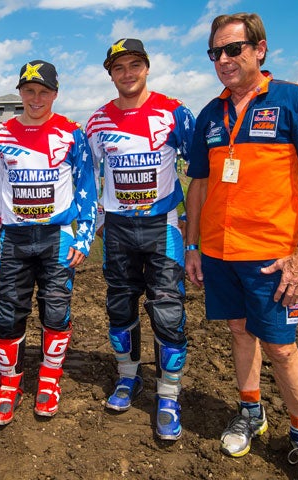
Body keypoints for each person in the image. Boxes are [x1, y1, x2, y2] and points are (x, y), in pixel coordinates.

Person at [184, 13, 298, 480]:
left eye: (234, 49)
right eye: (216, 53)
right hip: (219, 251)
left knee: (282, 347)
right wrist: (192, 245)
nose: (225, 60)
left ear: (260, 49)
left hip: (273, 256)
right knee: (237, 330)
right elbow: (199, 184)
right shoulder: (211, 113)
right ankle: (251, 411)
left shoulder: (296, 100)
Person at [86, 39, 196, 441]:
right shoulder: (97, 122)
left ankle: (168, 394)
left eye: (135, 65)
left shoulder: (174, 112)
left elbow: (199, 170)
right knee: (119, 304)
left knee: (167, 311)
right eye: (119, 67)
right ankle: (127, 377)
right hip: (117, 228)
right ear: (110, 73)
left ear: (147, 67)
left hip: (163, 226)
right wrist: (94, 218)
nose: (127, 73)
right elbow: (86, 174)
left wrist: (192, 226)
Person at [0, 60, 97, 425]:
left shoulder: (71, 133)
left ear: (55, 93)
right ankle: (9, 385)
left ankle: (49, 379)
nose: (36, 98)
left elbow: (86, 186)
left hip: (57, 236)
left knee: (56, 310)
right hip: (14, 237)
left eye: (43, 91)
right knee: (7, 312)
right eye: (29, 90)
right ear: (19, 92)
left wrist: (84, 233)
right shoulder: (0, 135)